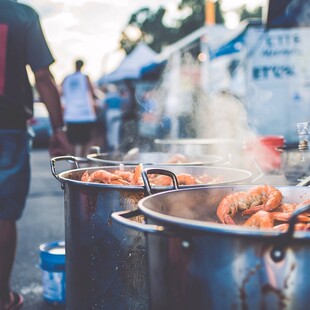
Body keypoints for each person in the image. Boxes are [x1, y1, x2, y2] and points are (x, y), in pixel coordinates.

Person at [0, 1, 70, 309]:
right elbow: (43, 76)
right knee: (3, 214)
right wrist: (58, 129)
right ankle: (2, 296)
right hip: (7, 127)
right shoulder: (20, 15)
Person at [60, 59, 97, 157]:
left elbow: (60, 92)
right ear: (82, 66)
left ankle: (73, 163)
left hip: (71, 114)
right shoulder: (85, 77)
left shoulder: (67, 78)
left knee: (72, 141)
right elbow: (93, 92)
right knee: (86, 141)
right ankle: (82, 160)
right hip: (85, 114)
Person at [103, 84, 123, 152]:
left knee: (110, 130)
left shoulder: (108, 95)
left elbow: (104, 105)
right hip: (117, 112)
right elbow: (122, 104)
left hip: (110, 112)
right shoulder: (118, 95)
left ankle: (111, 145)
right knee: (116, 129)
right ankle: (116, 145)